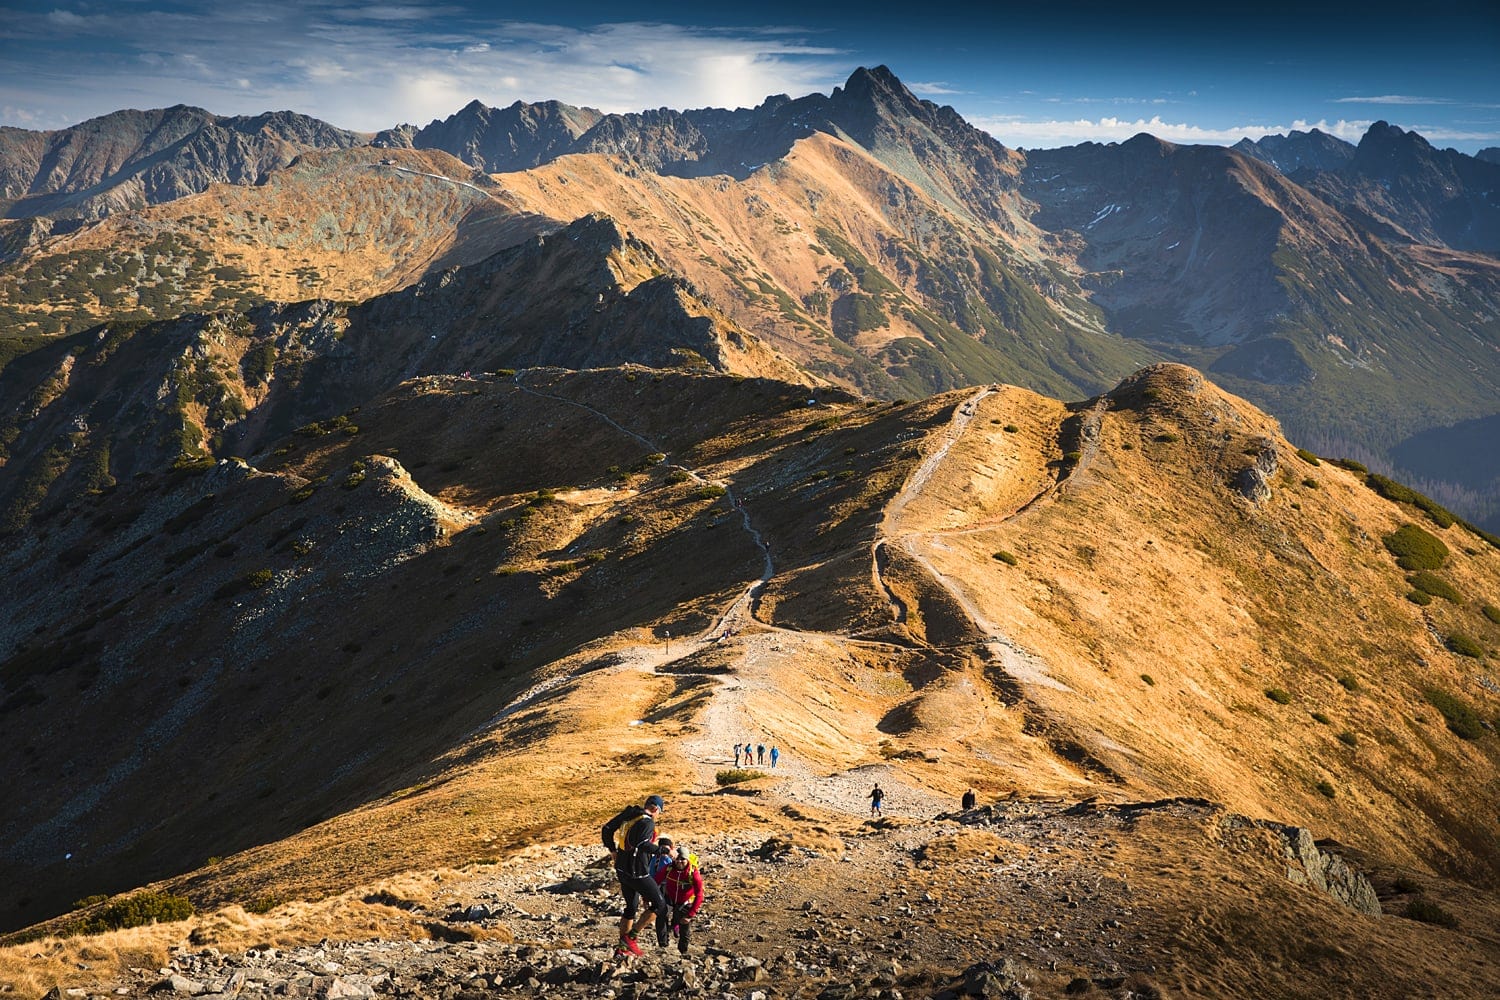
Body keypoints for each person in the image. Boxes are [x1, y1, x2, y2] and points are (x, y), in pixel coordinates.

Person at [601, 794, 673, 955]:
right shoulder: (647, 822)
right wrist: (664, 851)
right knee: (660, 906)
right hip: (637, 872)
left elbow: (606, 829)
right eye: (658, 813)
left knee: (631, 908)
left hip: (621, 869)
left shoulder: (630, 815)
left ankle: (622, 948)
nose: (657, 816)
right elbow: (642, 844)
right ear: (655, 809)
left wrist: (612, 850)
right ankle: (631, 937)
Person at [653, 845, 705, 955]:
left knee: (684, 924)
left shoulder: (693, 873)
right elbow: (655, 881)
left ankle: (683, 951)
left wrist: (690, 914)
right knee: (661, 915)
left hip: (685, 901)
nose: (679, 862)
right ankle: (663, 945)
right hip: (670, 898)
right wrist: (646, 897)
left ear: (687, 859)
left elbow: (699, 894)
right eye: (678, 859)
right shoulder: (669, 868)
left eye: (683, 859)